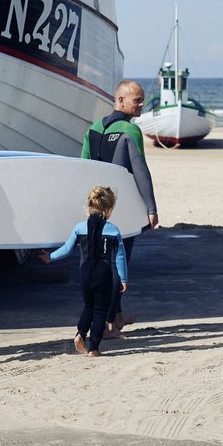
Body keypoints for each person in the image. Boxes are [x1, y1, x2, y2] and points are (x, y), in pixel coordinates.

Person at [82, 80, 159, 337]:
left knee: (100, 261)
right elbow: (141, 173)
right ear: (120, 100)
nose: (141, 104)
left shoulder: (92, 129)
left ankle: (116, 315)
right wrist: (151, 207)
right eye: (137, 99)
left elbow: (82, 168)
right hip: (121, 209)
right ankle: (108, 326)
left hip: (96, 209)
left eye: (141, 99)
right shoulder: (130, 130)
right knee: (118, 264)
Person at [41, 186, 129, 357]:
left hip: (85, 273)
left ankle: (80, 334)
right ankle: (94, 348)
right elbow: (120, 257)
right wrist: (123, 278)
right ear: (109, 209)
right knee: (100, 311)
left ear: (90, 205)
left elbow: (67, 249)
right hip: (103, 273)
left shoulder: (80, 227)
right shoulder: (113, 230)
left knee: (89, 306)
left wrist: (50, 257)